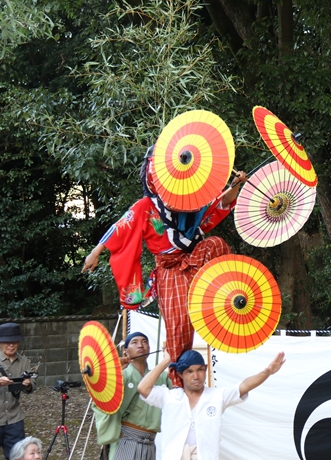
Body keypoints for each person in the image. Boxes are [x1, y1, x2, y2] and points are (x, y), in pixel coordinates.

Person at [82, 147, 246, 386]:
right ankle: (178, 385)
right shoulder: (145, 206)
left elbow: (218, 207)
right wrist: (96, 251)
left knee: (216, 244)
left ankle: (221, 303)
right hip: (170, 273)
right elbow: (121, 227)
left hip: (195, 260)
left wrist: (236, 185)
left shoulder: (194, 201)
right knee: (178, 333)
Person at [138, 349, 285, 460]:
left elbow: (244, 386)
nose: (196, 376)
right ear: (180, 374)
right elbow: (143, 388)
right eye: (189, 371)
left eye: (200, 370)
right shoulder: (170, 397)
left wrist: (267, 372)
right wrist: (166, 361)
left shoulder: (216, 396)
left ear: (206, 369)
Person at [92, 332, 173, 460]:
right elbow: (101, 398)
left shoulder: (161, 377)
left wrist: (171, 358)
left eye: (144, 342)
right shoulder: (121, 376)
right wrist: (114, 369)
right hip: (127, 440)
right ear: (126, 351)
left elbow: (179, 391)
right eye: (134, 342)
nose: (140, 345)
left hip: (150, 442)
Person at [0, 324, 36, 460]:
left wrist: (28, 384)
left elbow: (32, 385)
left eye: (14, 341)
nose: (11, 345)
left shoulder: (24, 362)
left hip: (14, 419)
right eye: (7, 342)